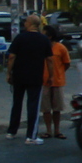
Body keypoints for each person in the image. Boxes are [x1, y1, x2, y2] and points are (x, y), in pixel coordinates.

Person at [5, 14, 53, 144]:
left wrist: (9, 73)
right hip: (35, 77)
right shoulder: (44, 40)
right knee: (33, 105)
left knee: (17, 103)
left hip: (19, 76)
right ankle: (31, 135)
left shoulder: (20, 38)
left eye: (26, 21)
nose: (24, 23)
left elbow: (11, 57)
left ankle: (11, 131)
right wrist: (51, 76)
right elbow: (49, 59)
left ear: (31, 24)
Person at [40, 24, 71, 139]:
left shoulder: (60, 48)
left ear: (50, 36)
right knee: (46, 108)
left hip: (57, 81)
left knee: (57, 108)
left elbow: (67, 63)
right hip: (44, 81)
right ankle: (48, 130)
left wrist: (59, 73)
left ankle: (57, 130)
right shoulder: (41, 48)